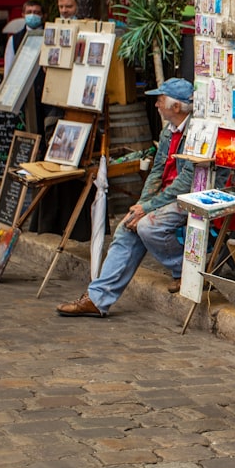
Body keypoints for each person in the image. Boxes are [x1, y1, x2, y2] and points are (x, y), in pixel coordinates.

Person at [56, 78, 198, 316]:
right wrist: (142, 205)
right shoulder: (168, 132)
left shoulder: (195, 132)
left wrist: (149, 207)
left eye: (160, 100)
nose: (156, 105)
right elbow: (157, 170)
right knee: (127, 226)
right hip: (165, 196)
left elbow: (186, 182)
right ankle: (97, 298)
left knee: (148, 227)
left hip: (188, 196)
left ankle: (186, 269)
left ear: (176, 107)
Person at [3, 0, 43, 72]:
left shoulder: (49, 35)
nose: (32, 15)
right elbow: (9, 66)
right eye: (29, 12)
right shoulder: (14, 40)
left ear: (42, 15)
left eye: (36, 12)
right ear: (23, 15)